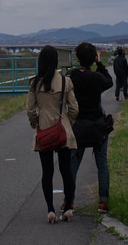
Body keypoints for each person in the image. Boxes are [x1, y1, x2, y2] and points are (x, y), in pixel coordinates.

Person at [26, 45, 79, 223]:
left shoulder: (34, 83)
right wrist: (68, 123)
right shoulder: (66, 81)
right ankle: (68, 208)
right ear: (56, 61)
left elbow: (30, 110)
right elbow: (74, 108)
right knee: (66, 171)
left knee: (47, 172)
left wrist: (36, 125)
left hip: (44, 130)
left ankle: (50, 210)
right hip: (63, 129)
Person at [68, 42, 113, 211]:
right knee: (102, 162)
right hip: (97, 126)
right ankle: (103, 200)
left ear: (77, 57)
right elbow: (108, 82)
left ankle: (69, 201)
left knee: (73, 164)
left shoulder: (72, 77)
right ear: (93, 58)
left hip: (78, 126)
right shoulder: (96, 77)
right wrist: (100, 64)